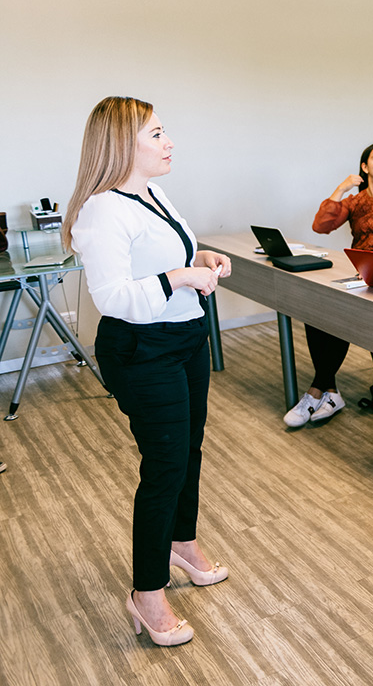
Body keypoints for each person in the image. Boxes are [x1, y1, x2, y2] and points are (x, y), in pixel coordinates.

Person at [63, 97, 232, 647]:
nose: (169, 142)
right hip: (142, 350)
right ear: (122, 144)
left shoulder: (152, 194)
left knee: (189, 450)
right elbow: (114, 298)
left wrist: (200, 260)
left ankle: (182, 542)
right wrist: (182, 278)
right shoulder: (102, 210)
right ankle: (147, 592)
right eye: (157, 134)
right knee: (165, 465)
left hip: (185, 338)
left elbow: (161, 259)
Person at [284, 142, 373, 428]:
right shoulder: (357, 201)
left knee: (343, 315)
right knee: (317, 311)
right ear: (364, 167)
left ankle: (319, 391)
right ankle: (327, 390)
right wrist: (341, 188)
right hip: (362, 276)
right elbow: (321, 226)